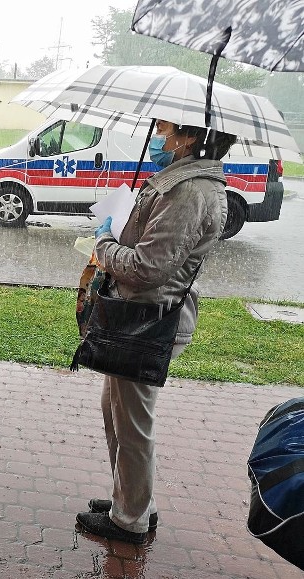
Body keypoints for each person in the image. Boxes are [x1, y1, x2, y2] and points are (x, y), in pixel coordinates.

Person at [75, 120, 237, 544]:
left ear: (187, 139)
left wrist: (105, 241)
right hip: (135, 316)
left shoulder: (188, 192)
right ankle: (129, 499)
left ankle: (130, 520)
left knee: (132, 424)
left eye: (164, 129)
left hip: (147, 319)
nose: (158, 136)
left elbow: (147, 269)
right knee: (117, 413)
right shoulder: (178, 184)